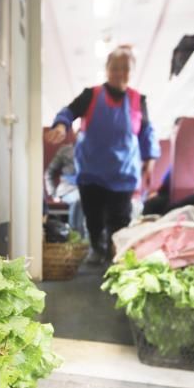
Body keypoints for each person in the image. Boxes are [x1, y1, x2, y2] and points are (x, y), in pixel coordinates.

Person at [46, 46, 160, 263]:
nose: (119, 73)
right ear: (107, 69)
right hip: (92, 173)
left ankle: (114, 253)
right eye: (115, 67)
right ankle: (97, 249)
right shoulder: (91, 95)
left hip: (123, 174)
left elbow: (147, 133)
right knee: (94, 220)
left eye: (124, 68)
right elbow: (69, 112)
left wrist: (150, 160)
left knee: (119, 220)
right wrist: (61, 126)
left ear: (131, 71)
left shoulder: (138, 100)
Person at [44, 136, 84, 236]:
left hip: (90, 189)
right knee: (79, 198)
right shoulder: (65, 150)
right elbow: (49, 173)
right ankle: (75, 235)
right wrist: (52, 194)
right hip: (69, 188)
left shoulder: (97, 152)